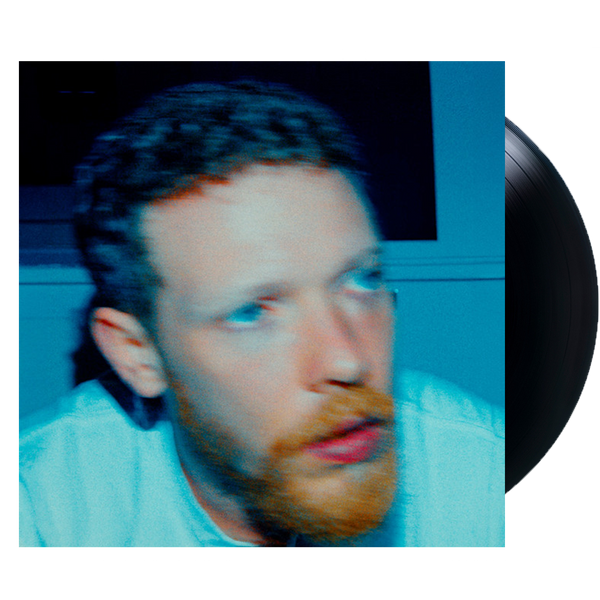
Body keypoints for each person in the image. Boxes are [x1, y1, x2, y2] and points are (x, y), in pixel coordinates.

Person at [16, 80, 507, 550]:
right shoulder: (40, 514)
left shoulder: (487, 473)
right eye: (252, 312)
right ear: (137, 354)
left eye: (361, 281)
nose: (348, 361)